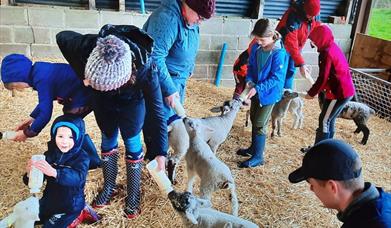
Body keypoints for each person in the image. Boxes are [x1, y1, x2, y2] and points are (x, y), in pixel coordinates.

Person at [56, 24, 168, 218]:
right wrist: (83, 75)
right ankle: (109, 186)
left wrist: (160, 151)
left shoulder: (145, 69)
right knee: (107, 137)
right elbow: (62, 36)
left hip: (132, 103)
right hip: (102, 101)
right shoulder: (85, 47)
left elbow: (157, 113)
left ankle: (133, 194)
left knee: (132, 140)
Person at [142, 0, 216, 160]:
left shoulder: (190, 18)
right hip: (160, 81)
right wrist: (168, 88)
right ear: (187, 5)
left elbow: (191, 46)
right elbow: (155, 56)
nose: (200, 22)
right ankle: (155, 157)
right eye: (200, 17)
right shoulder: (167, 18)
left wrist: (189, 67)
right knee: (158, 121)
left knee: (172, 121)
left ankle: (163, 152)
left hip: (177, 79)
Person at [289, 139, 391, 227]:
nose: (311, 189)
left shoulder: (368, 224)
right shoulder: (383, 202)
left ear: (332, 187)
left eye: (312, 184)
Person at [23, 115, 100, 228]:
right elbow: (38, 181)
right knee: (24, 218)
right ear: (54, 136)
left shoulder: (82, 158)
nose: (64, 141)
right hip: (49, 201)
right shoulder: (49, 155)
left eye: (70, 137)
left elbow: (78, 178)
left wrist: (55, 173)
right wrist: (30, 174)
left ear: (78, 138)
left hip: (69, 206)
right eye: (60, 136)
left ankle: (79, 214)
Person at [0, 54, 91, 142]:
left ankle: (73, 150)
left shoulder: (41, 80)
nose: (18, 89)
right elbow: (45, 102)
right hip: (78, 92)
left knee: (67, 126)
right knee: (68, 123)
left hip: (83, 95)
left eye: (15, 86)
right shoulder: (39, 71)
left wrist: (27, 133)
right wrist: (31, 119)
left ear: (19, 77)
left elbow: (45, 114)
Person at [236, 19, 287, 168]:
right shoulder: (257, 49)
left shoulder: (278, 53)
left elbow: (276, 78)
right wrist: (250, 81)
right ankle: (253, 148)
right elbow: (251, 67)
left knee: (259, 123)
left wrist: (258, 88)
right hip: (256, 89)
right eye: (257, 39)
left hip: (269, 92)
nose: (258, 42)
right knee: (253, 117)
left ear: (272, 36)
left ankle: (258, 157)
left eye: (261, 39)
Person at [303, 25, 355, 146]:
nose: (312, 44)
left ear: (320, 40)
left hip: (339, 92)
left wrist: (311, 93)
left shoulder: (326, 53)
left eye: (314, 41)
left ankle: (320, 150)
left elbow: (323, 77)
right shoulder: (330, 46)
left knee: (324, 120)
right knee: (328, 119)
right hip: (339, 90)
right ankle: (326, 147)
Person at [276, 0, 321, 89]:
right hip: (284, 45)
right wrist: (301, 64)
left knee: (291, 71)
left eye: (314, 16)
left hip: (297, 46)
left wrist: (315, 40)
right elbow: (290, 42)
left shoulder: (315, 14)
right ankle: (277, 97)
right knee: (281, 72)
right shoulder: (293, 15)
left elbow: (316, 26)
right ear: (304, 9)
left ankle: (287, 95)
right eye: (310, 15)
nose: (312, 18)